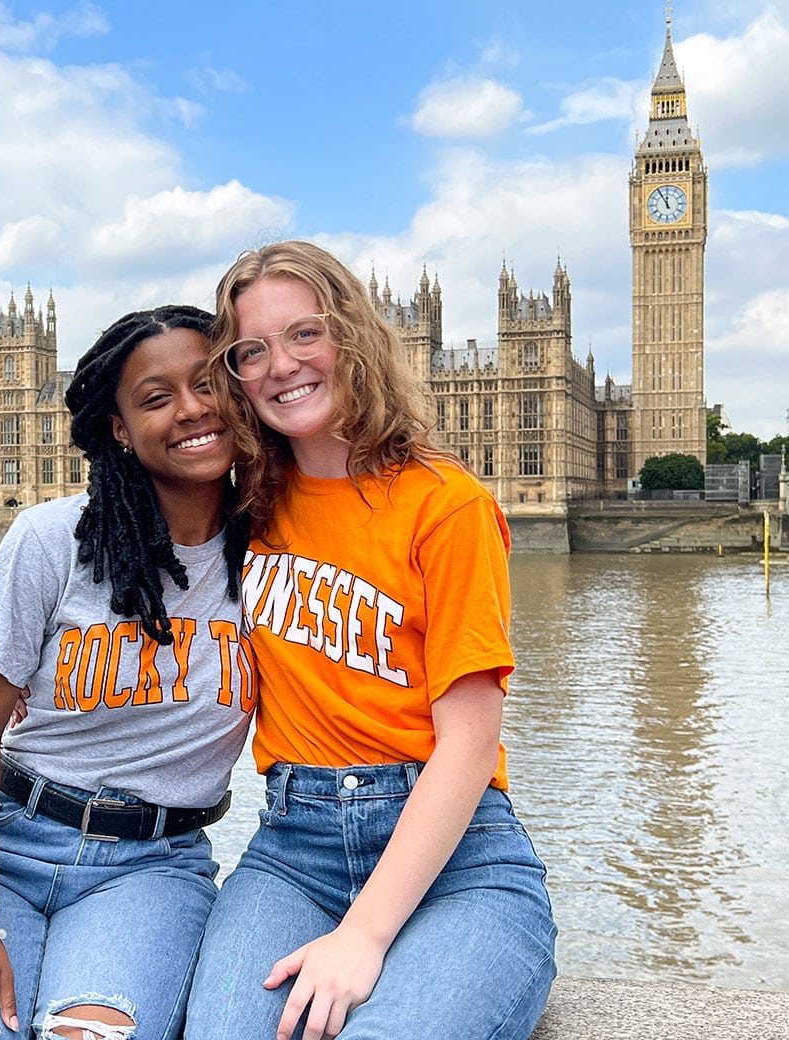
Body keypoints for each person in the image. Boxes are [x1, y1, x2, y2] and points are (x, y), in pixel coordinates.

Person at [184, 242, 557, 1040]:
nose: (282, 365)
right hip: (293, 847)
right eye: (253, 350)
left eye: (305, 335)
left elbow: (470, 742)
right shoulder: (242, 508)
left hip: (457, 857)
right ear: (236, 375)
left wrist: (365, 934)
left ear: (354, 335)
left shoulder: (445, 507)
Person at [0, 305, 254, 1040]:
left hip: (151, 865)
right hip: (5, 842)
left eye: (206, 384)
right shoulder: (51, 538)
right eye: (157, 397)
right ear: (118, 428)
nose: (191, 409)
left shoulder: (283, 554)